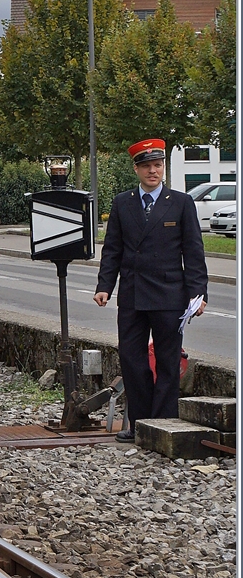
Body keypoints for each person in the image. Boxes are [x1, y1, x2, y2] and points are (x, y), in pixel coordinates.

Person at [94, 138, 208, 442]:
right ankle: (140, 421)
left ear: (163, 168)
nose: (153, 171)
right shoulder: (122, 203)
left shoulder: (182, 203)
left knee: (169, 361)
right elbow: (112, 249)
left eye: (158, 165)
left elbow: (193, 252)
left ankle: (163, 423)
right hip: (132, 294)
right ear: (137, 169)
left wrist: (199, 294)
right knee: (132, 359)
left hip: (170, 294)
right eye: (146, 166)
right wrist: (105, 285)